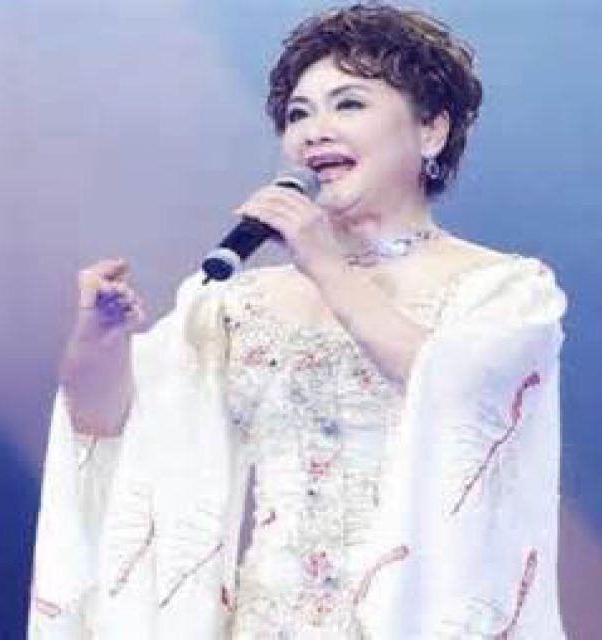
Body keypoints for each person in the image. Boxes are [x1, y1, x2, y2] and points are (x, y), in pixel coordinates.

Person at [29, 4, 567, 638]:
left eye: (349, 104)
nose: (314, 132)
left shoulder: (504, 291)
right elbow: (103, 425)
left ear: (431, 131)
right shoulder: (236, 301)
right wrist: (99, 339)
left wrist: (325, 263)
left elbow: (462, 400)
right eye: (298, 114)